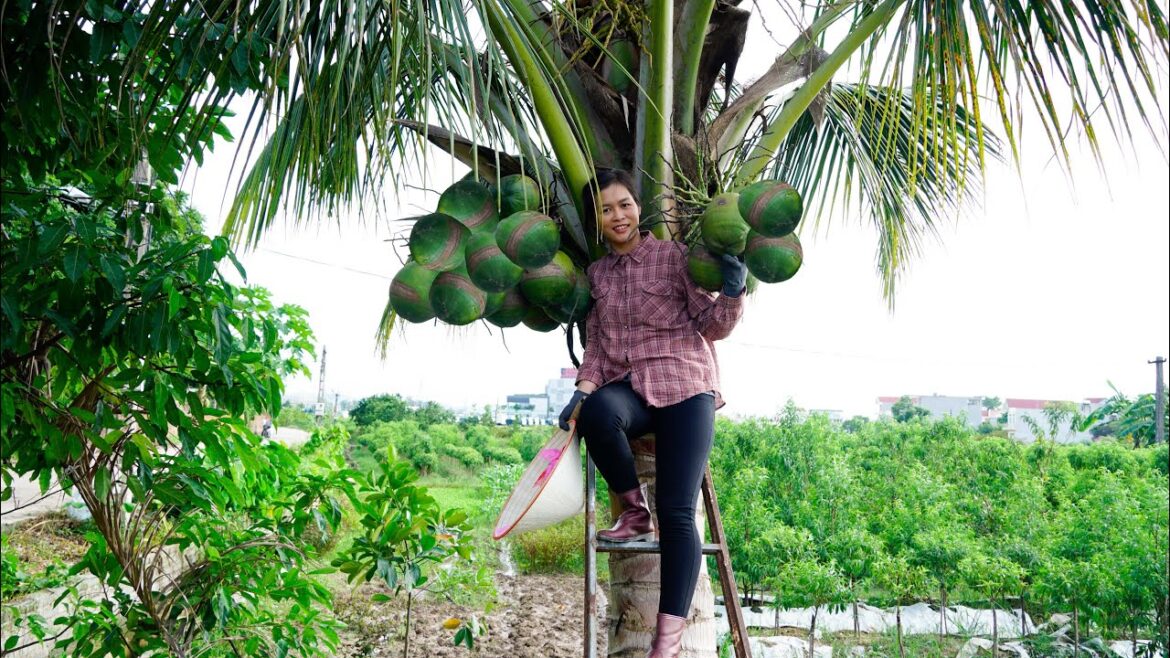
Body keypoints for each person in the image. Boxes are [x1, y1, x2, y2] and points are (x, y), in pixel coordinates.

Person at [558, 169, 746, 658]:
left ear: (638, 208)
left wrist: (733, 290)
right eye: (605, 209)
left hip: (686, 388)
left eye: (624, 205)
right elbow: (598, 348)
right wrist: (580, 392)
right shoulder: (598, 275)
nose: (617, 216)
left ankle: (665, 643)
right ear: (596, 221)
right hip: (633, 389)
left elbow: (711, 325)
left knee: (679, 512)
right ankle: (634, 512)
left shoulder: (673, 257)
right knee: (598, 411)